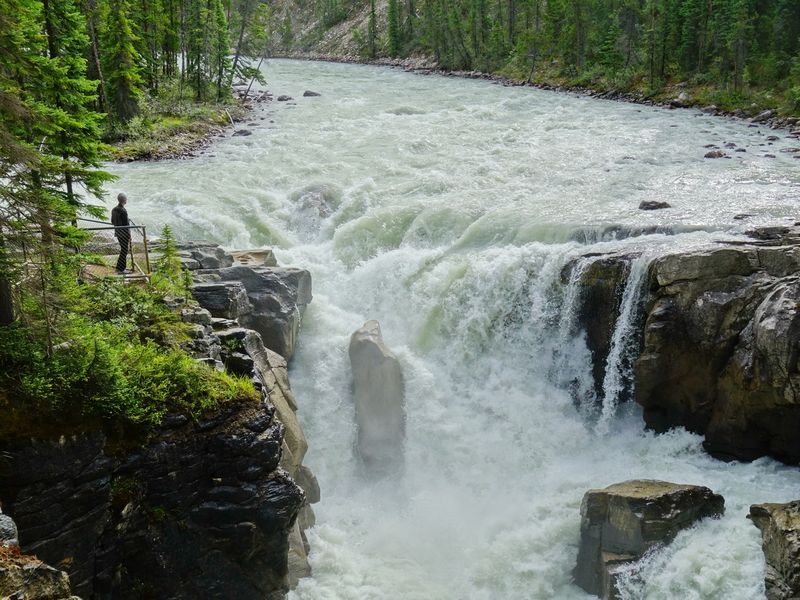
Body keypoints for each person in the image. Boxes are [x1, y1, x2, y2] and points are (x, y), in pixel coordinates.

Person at [111, 193, 131, 273]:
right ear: (124, 200)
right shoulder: (123, 210)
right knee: (124, 250)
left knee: (123, 249)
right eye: (126, 199)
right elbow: (126, 225)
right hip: (124, 233)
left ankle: (119, 267)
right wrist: (129, 235)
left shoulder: (114, 209)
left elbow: (112, 221)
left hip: (118, 233)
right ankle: (121, 269)